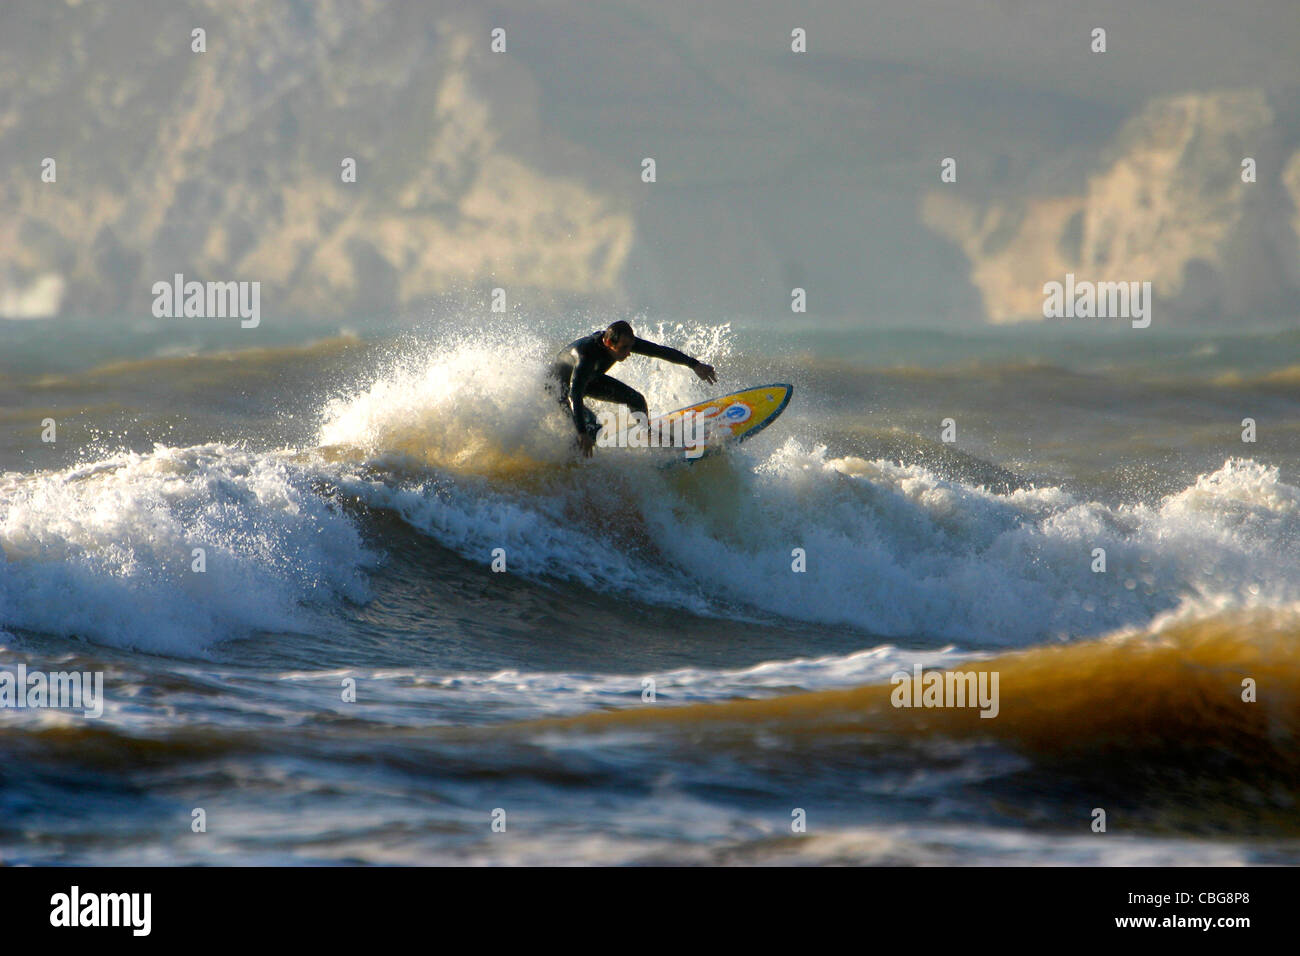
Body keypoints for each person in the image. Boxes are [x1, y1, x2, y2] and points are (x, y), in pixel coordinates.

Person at [550, 320, 717, 456]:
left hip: (588, 381)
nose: (629, 352)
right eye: (624, 348)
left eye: (630, 347)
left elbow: (659, 351)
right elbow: (574, 395)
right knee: (591, 427)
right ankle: (575, 460)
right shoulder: (585, 356)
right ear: (608, 342)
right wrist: (581, 432)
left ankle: (648, 434)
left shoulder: (622, 342)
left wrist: (694, 364)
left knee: (635, 399)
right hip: (559, 389)